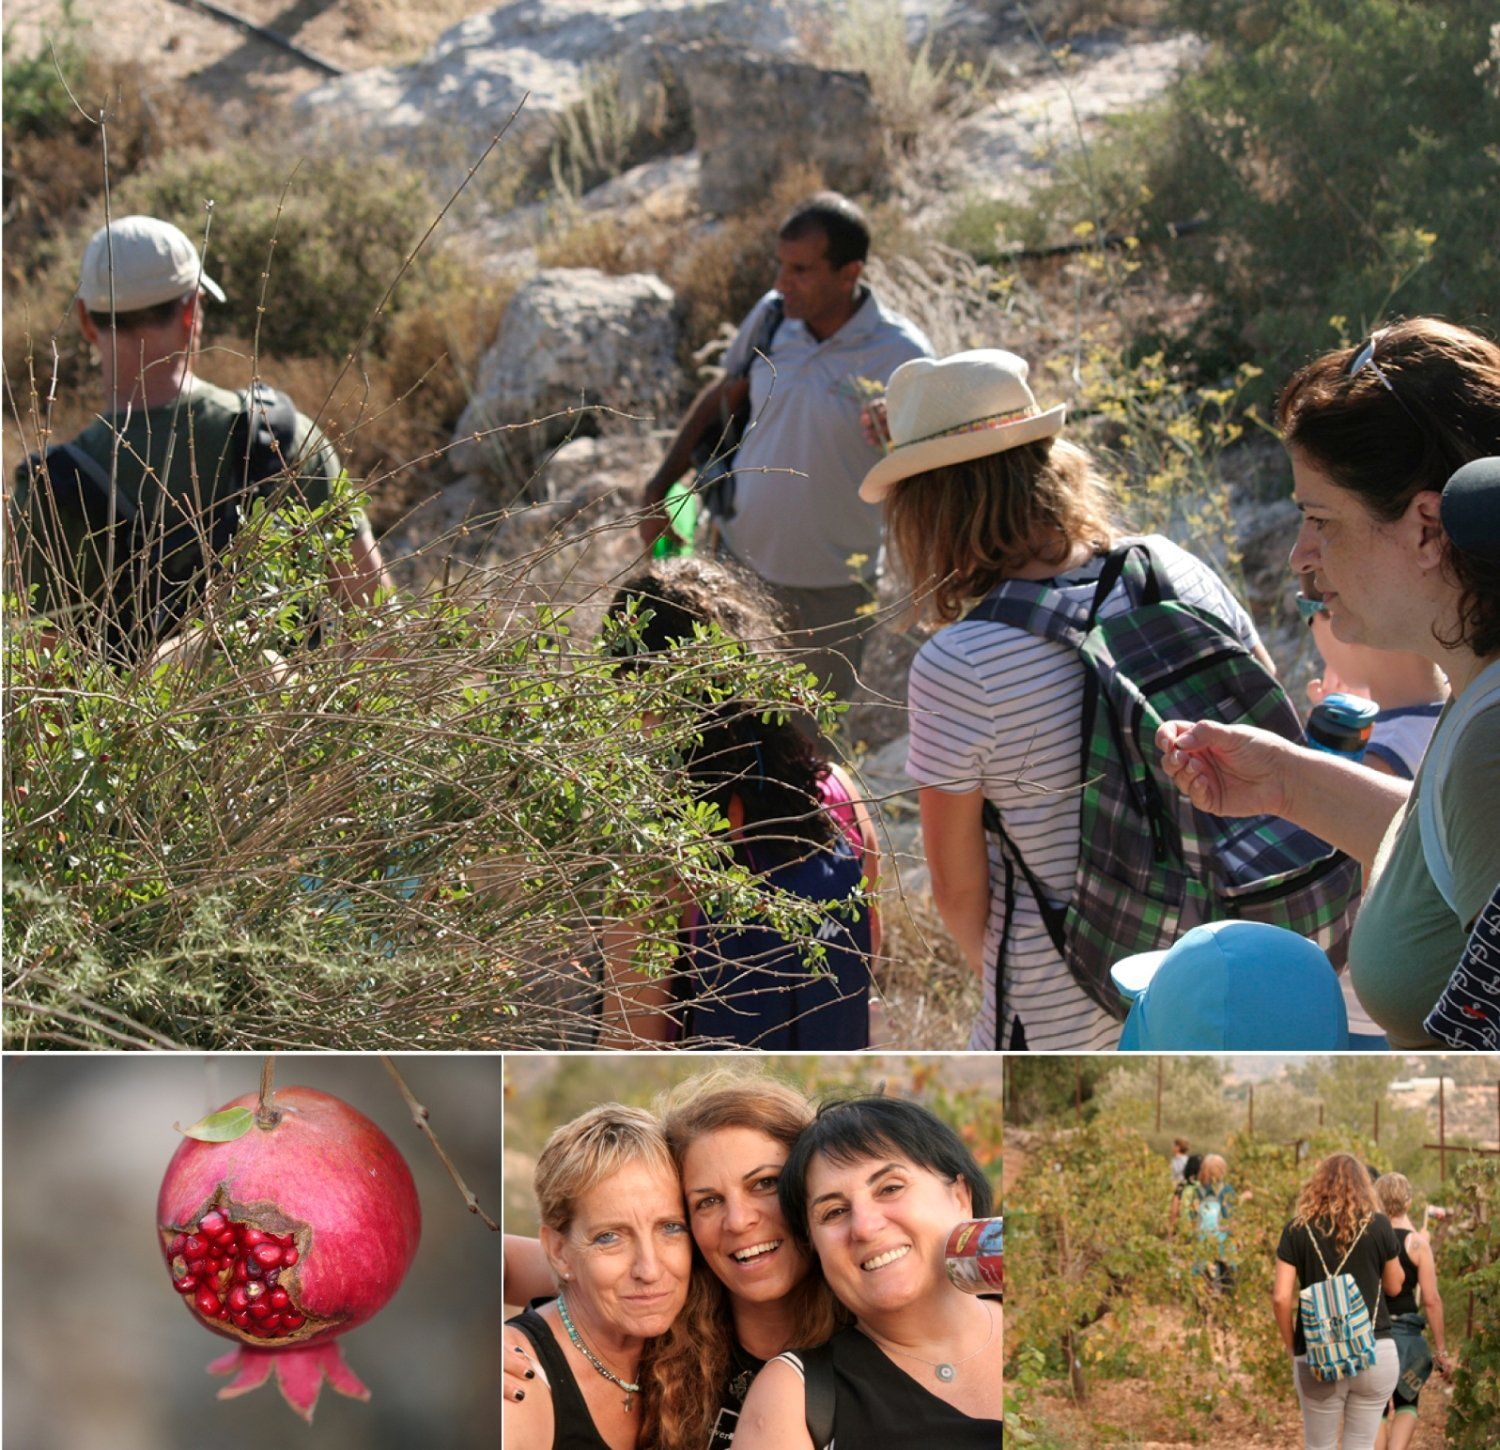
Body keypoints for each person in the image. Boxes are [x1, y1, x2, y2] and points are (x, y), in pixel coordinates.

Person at [861, 348, 1275, 1050]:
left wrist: (1040, 973)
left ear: (929, 508)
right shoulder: (1175, 569)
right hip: (1223, 968)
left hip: (1062, 1003)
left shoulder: (959, 664)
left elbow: (958, 894)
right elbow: (1273, 748)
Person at [1159, 321, 1500, 1048]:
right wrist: (1288, 782)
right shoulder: (1478, 693)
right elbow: (1448, 869)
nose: (1298, 556)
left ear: (1428, 529)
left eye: (1320, 520)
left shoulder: (1492, 745)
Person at [9, 214, 389, 657]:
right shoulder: (285, 439)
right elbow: (376, 621)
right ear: (192, 311)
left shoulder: (50, 490)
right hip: (289, 721)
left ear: (86, 321)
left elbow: (45, 688)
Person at [638, 193, 932, 705]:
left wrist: (901, 435)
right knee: (720, 717)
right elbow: (725, 394)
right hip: (735, 565)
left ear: (850, 273)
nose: (780, 282)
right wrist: (658, 488)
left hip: (833, 591)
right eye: (781, 264)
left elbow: (932, 470)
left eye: (800, 269)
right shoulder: (773, 318)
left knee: (807, 741)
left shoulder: (903, 356)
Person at [598, 558, 880, 1049]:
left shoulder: (657, 852)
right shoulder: (838, 795)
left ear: (634, 688)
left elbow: (630, 1040)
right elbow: (866, 959)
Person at [734, 1096, 1003, 1448]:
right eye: (833, 1212)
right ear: (814, 1247)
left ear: (961, 1198)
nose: (864, 1226)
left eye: (890, 1188)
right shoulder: (794, 1396)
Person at [504, 1103, 693, 1449]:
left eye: (670, 1228)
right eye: (610, 1237)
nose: (649, 1270)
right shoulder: (515, 1383)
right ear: (559, 1251)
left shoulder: (697, 1337)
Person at [1273, 1153, 1404, 1449]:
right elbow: (1395, 1287)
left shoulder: (1297, 1230)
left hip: (1317, 1355)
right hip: (1373, 1350)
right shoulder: (1380, 1226)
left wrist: (1292, 1348)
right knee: (1360, 1444)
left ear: (1316, 1184)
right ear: (1364, 1186)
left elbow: (1281, 1298)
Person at [1371, 1172, 1453, 1450]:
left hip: (1374, 1335)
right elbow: (1431, 1300)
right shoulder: (1418, 1244)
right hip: (1408, 1338)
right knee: (1407, 1401)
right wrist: (1441, 1351)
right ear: (1408, 1202)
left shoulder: (1369, 1239)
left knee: (1377, 1407)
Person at [1179, 1153, 1243, 1295]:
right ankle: (1225, 1311)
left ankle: (1205, 1313)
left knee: (1204, 1284)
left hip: (1203, 1244)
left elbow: (1192, 1217)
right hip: (1224, 1244)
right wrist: (1238, 1239)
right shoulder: (1227, 1190)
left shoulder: (1197, 1191)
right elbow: (1232, 1218)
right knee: (1228, 1282)